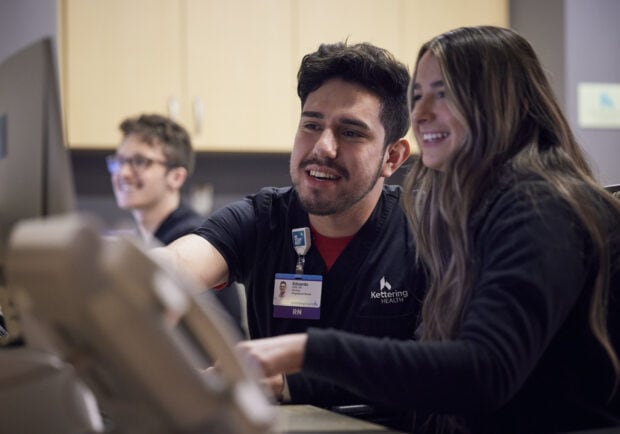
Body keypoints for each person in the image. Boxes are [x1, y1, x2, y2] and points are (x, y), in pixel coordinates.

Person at [232, 26, 620, 434]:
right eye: (418, 95)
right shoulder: (470, 211)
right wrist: (293, 380)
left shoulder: (543, 208)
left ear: (515, 104)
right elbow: (429, 371)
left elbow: (482, 373)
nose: (421, 113)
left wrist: (305, 350)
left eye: (446, 93)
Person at [154, 42, 425, 408]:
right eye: (311, 125)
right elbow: (184, 261)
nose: (323, 147)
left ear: (392, 156)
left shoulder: (424, 234)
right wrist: (142, 280)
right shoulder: (264, 217)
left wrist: (289, 382)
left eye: (351, 133)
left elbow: (432, 371)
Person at [106, 113, 244, 336]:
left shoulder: (191, 238)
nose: (123, 173)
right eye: (119, 161)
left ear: (176, 177)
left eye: (139, 161)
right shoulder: (151, 236)